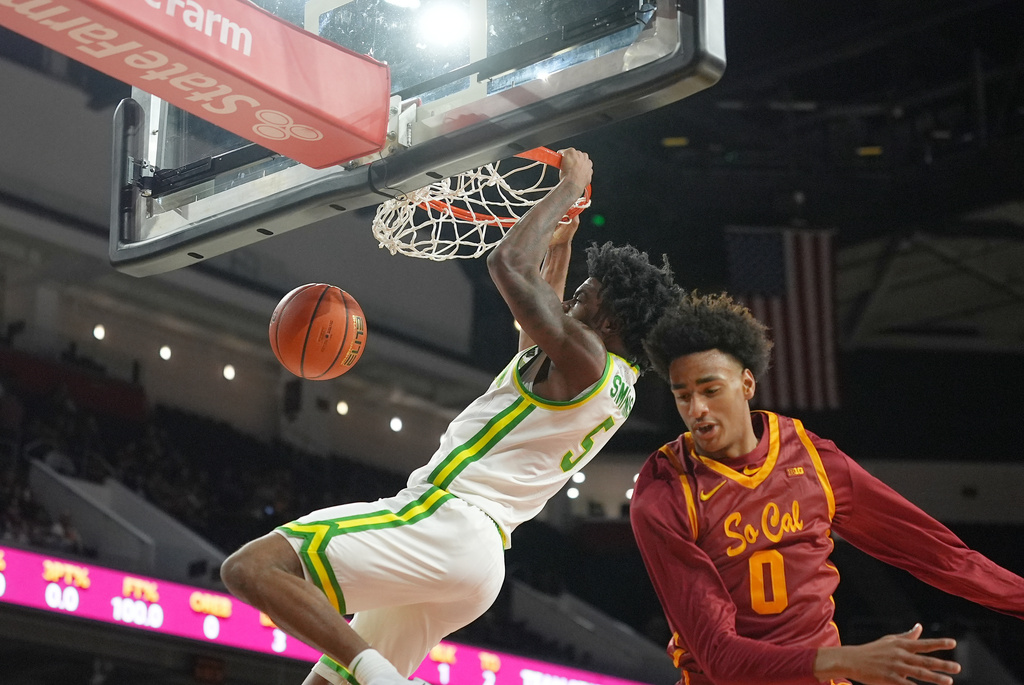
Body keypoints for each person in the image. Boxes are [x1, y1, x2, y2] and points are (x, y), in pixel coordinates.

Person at [221, 149, 680, 685]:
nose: (582, 286)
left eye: (591, 288)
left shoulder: (588, 356)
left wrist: (567, 186)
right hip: (474, 560)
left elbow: (506, 264)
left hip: (446, 521)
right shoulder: (610, 381)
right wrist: (562, 242)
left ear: (614, 315)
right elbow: (538, 324)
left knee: (252, 568)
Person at [630, 291, 1024, 685]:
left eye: (710, 390)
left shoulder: (812, 459)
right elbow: (720, 658)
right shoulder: (664, 492)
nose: (696, 409)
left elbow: (940, 556)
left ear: (746, 384)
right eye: (683, 396)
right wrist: (845, 662)